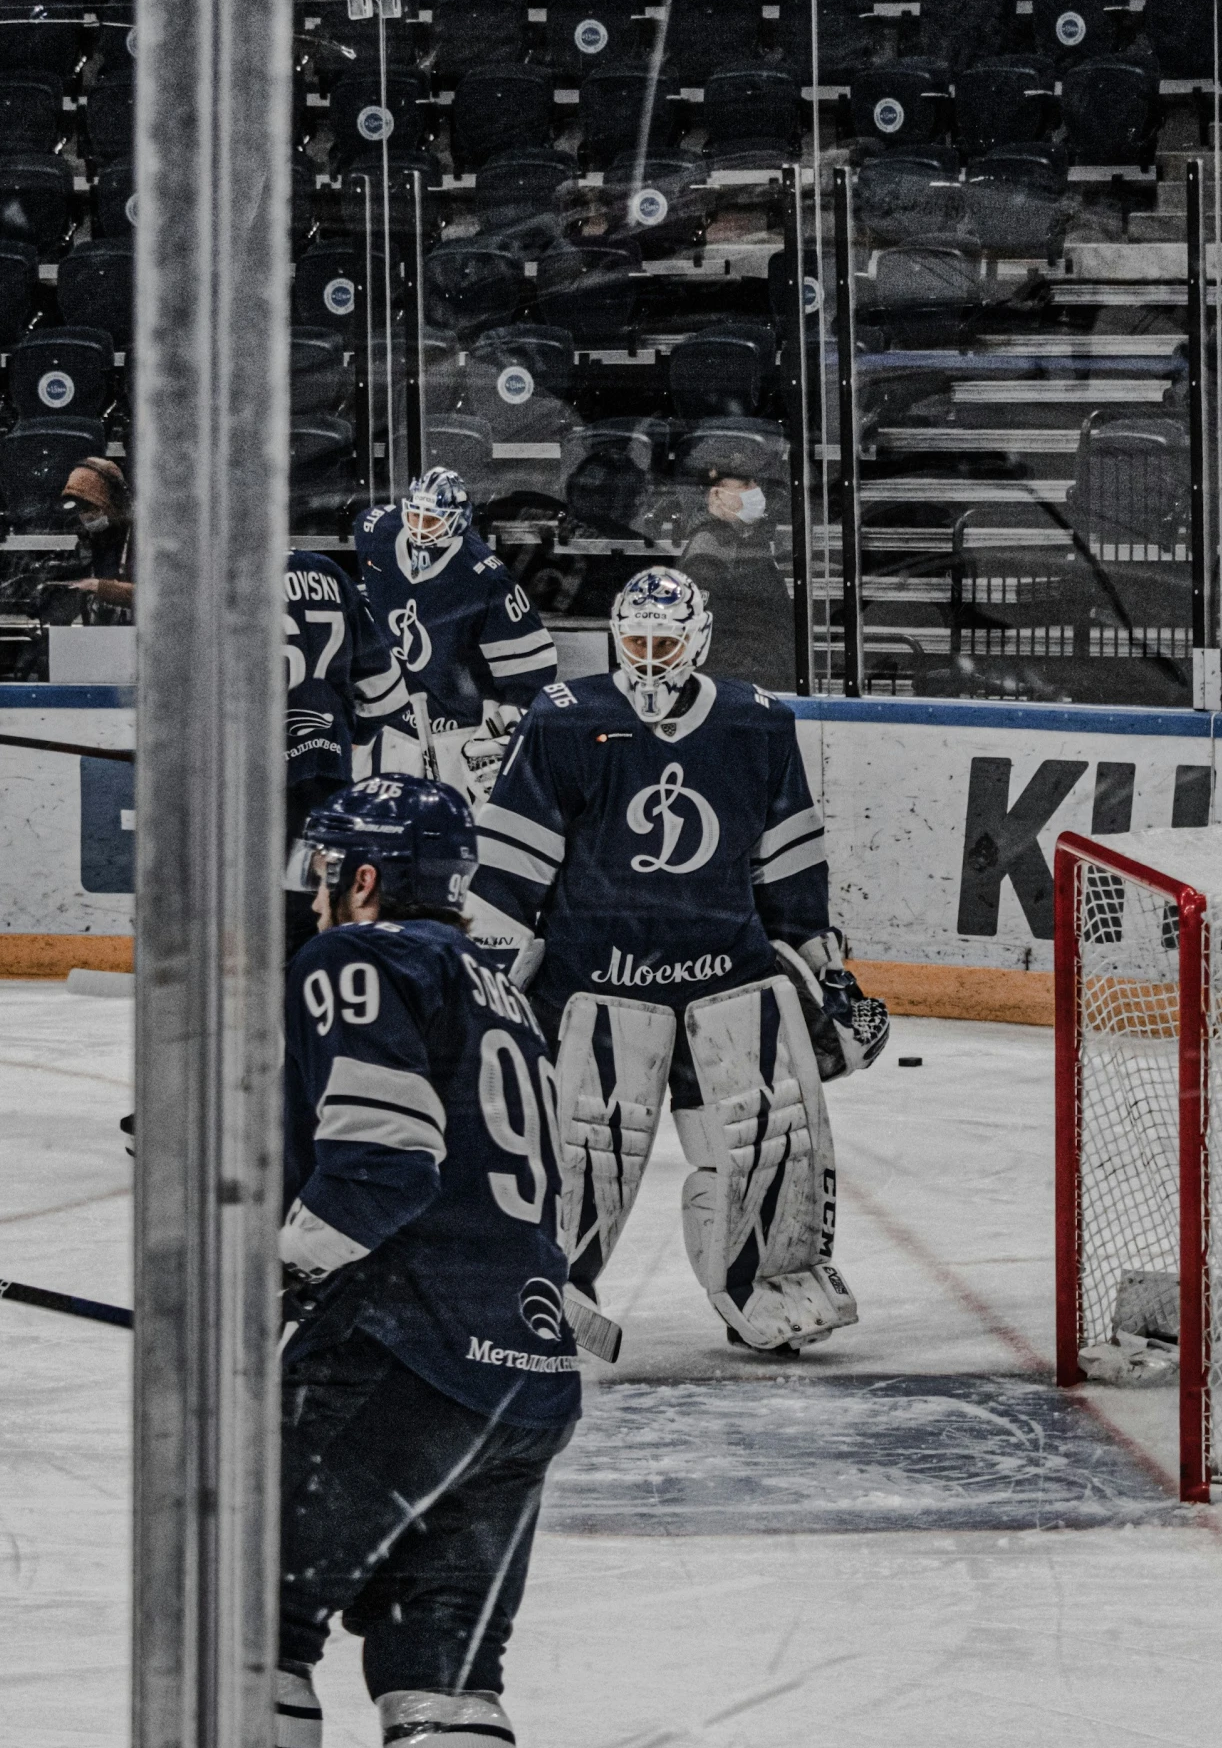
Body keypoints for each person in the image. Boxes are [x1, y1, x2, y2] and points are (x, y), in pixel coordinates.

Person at [111, 779, 585, 1748]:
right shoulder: (502, 993)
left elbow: (382, 1160)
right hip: (524, 1370)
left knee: (248, 1621)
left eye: (331, 867)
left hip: (395, 1352)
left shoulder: (356, 958)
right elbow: (561, 1197)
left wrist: (257, 1279)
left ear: (364, 878)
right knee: (443, 1670)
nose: (317, 884)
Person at [466, 565, 889, 1356]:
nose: (649, 656)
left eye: (664, 640)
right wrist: (486, 968)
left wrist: (821, 966)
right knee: (586, 1153)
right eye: (635, 639)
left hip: (729, 976)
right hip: (593, 982)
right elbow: (511, 864)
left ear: (696, 639)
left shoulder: (755, 723)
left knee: (766, 1142)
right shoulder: (562, 720)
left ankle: (765, 1282)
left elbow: (789, 862)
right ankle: (545, 1280)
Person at [355, 467, 558, 805]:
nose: (420, 529)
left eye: (432, 521)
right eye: (415, 516)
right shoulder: (376, 530)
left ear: (458, 520)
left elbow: (532, 669)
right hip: (391, 722)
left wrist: (501, 733)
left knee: (460, 832)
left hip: (459, 727)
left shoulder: (485, 576)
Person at [282, 547, 415, 962]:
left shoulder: (223, 573)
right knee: (311, 885)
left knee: (258, 895)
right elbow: (387, 689)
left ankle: (275, 999)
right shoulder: (325, 570)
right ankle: (320, 987)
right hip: (328, 762)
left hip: (251, 770)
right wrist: (354, 734)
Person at [676, 466, 796, 694]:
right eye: (745, 485)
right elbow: (709, 634)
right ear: (717, 495)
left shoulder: (747, 542)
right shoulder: (709, 549)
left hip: (765, 680)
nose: (756, 490)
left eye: (755, 482)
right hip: (739, 688)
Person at [50, 456, 134, 622]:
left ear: (114, 501)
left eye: (91, 507)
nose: (86, 516)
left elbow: (156, 596)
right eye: (80, 508)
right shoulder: (89, 540)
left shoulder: (142, 540)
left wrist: (99, 588)